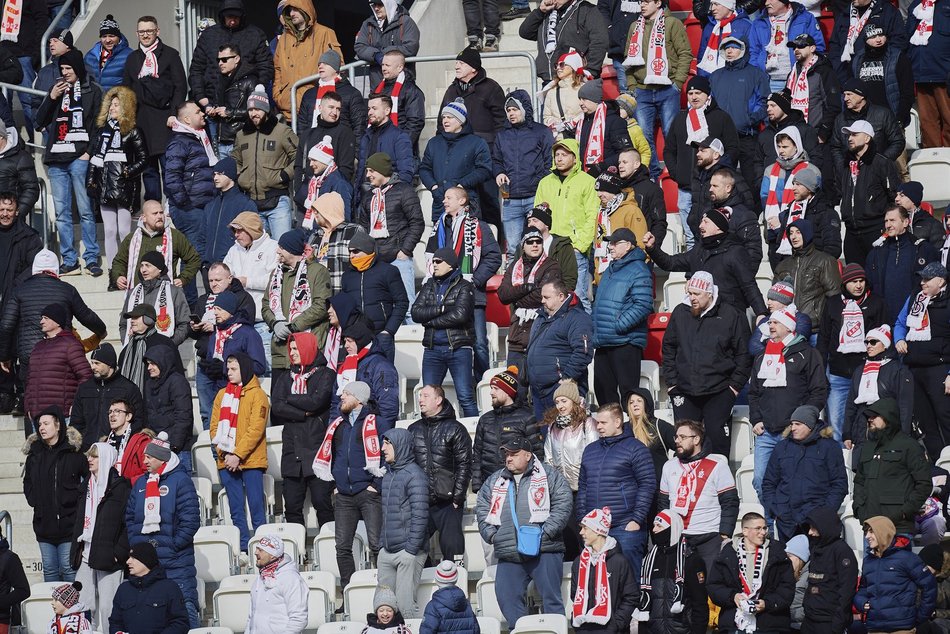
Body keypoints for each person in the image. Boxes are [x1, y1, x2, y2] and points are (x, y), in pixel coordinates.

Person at [475, 434, 573, 625]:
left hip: (545, 549)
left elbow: (563, 502)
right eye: (506, 454)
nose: (508, 458)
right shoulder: (495, 480)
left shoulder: (549, 475)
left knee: (551, 600)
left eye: (514, 453)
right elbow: (482, 509)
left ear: (528, 455)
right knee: (507, 598)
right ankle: (522, 630)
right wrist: (493, 536)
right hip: (509, 552)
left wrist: (546, 533)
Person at [0, 250, 106, 410]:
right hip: (62, 354)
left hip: (30, 355)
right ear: (56, 269)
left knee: (31, 400)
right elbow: (86, 315)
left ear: (34, 269)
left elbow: (6, 325)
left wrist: (4, 356)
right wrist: (101, 330)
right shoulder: (67, 290)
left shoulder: (19, 290)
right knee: (61, 395)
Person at [661, 271, 751, 455]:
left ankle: (719, 481)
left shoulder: (731, 314)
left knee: (716, 439)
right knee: (684, 442)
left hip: (719, 390)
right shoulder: (680, 312)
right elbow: (668, 347)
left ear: (709, 293)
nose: (692, 298)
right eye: (690, 293)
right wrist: (672, 384)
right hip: (684, 389)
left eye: (697, 294)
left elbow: (744, 354)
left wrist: (733, 388)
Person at [314, 381, 389, 589]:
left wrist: (376, 485)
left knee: (376, 544)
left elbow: (387, 457)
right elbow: (334, 457)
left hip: (368, 492)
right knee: (342, 547)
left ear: (359, 399)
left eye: (346, 394)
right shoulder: (337, 424)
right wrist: (336, 486)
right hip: (344, 495)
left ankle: (383, 590)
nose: (341, 397)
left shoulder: (379, 423)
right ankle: (349, 591)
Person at [35, 48, 102, 277]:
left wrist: (89, 153)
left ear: (78, 69)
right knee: (63, 213)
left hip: (79, 156)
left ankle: (91, 257)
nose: (64, 73)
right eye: (62, 69)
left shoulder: (92, 90)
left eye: (68, 69)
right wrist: (52, 97)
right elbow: (38, 122)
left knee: (84, 210)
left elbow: (98, 124)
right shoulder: (56, 90)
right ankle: (69, 259)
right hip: (56, 159)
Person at [423, 186, 502, 382]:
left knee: (480, 344)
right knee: (449, 343)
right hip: (445, 296)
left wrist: (474, 280)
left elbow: (493, 257)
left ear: (462, 201)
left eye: (449, 197)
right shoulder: (438, 227)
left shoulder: (479, 227)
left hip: (472, 295)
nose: (444, 201)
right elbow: (430, 258)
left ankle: (483, 386)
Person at [749, 306, 828, 495]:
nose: (771, 326)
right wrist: (756, 419)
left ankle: (787, 524)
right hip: (766, 432)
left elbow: (819, 391)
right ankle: (768, 522)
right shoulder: (762, 356)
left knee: (793, 482)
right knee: (760, 480)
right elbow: (753, 392)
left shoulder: (808, 354)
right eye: (769, 323)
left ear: (789, 326)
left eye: (775, 322)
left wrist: (805, 421)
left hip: (794, 432)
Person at [126, 432, 201, 627]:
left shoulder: (181, 480)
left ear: (161, 458)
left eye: (148, 457)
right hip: (148, 563)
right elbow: (130, 518)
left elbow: (191, 520)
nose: (144, 461)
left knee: (185, 610)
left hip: (176, 562)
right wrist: (138, 547)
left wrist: (175, 545)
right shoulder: (141, 483)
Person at [578, 402, 656, 580]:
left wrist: (636, 520)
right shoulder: (590, 450)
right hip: (594, 528)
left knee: (629, 581)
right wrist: (582, 519)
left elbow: (648, 484)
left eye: (603, 423)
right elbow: (583, 487)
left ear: (618, 422)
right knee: (597, 581)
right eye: (597, 423)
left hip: (624, 526)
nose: (599, 427)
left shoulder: (636, 448)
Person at [645, 209, 768, 319]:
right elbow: (670, 263)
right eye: (701, 221)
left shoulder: (735, 251)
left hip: (730, 317)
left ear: (718, 227)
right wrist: (652, 249)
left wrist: (761, 313)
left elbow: (749, 286)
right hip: (702, 316)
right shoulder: (699, 250)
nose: (700, 225)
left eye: (706, 222)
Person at [663, 76, 740, 248]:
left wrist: (719, 172)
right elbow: (669, 150)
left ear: (707, 94)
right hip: (686, 187)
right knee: (690, 238)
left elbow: (733, 148)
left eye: (698, 92)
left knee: (711, 232)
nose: (694, 97)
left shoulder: (721, 117)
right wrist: (677, 173)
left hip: (710, 186)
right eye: (690, 93)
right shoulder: (681, 118)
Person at [817, 262, 889, 442]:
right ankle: (843, 463)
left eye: (861, 281)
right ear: (844, 284)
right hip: (837, 373)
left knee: (868, 419)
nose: (858, 285)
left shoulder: (876, 303)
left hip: (867, 372)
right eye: (853, 281)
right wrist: (821, 368)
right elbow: (824, 338)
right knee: (836, 420)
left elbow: (885, 337)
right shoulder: (833, 303)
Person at [622, 0, 692, 179]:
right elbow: (628, 58)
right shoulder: (633, 27)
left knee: (671, 132)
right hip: (642, 90)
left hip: (668, 89)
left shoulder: (672, 24)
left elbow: (684, 53)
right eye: (640, 2)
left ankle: (675, 171)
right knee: (644, 135)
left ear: (658, 3)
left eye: (646, 1)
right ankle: (652, 172)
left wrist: (678, 83)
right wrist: (632, 86)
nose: (642, 5)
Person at [270, 332, 335, 527]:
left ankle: (329, 548)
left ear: (307, 348)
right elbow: (277, 405)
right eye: (290, 349)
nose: (292, 352)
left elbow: (316, 401)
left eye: (296, 348)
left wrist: (289, 398)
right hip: (292, 452)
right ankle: (296, 552)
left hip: (315, 449)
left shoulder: (326, 374)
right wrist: (303, 413)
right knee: (291, 506)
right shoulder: (285, 376)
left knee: (322, 503)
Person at [658, 419, 739, 573]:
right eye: (676, 437)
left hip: (709, 536)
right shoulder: (669, 466)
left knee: (711, 587)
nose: (677, 441)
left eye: (682, 437)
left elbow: (730, 502)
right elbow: (663, 504)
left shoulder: (717, 464)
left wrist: (724, 534)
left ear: (696, 439)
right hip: (679, 537)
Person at [121, 16, 188, 202]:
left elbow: (180, 86)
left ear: (157, 31)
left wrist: (174, 114)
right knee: (148, 169)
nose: (145, 35)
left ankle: (172, 210)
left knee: (169, 168)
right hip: (142, 122)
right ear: (136, 34)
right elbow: (126, 88)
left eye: (149, 31)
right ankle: (153, 210)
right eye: (142, 32)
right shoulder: (132, 58)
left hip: (165, 119)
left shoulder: (170, 55)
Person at [760, 405, 848, 541]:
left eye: (798, 424)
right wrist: (776, 510)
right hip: (786, 521)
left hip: (816, 523)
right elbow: (769, 483)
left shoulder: (830, 447)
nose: (793, 427)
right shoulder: (781, 447)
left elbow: (839, 484)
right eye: (792, 424)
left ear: (810, 425)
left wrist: (824, 514)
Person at [209, 353, 268, 550]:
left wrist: (238, 455)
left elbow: (256, 429)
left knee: (256, 508)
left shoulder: (257, 394)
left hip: (250, 461)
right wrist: (226, 455)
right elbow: (214, 429)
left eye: (234, 369)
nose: (229, 373)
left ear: (244, 368)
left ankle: (262, 548)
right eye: (228, 369)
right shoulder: (221, 395)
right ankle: (243, 548)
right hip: (226, 461)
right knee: (236, 509)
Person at [86, 86, 148, 272]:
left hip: (124, 187)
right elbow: (94, 160)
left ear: (126, 108)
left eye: (117, 105)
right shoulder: (101, 132)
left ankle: (130, 267)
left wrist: (127, 172)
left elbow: (144, 159)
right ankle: (115, 270)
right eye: (111, 105)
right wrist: (90, 181)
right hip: (104, 186)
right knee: (109, 231)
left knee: (124, 231)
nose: (112, 108)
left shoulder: (133, 131)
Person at [534, 139, 600, 311]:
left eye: (564, 154)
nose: (560, 158)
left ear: (574, 157)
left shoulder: (587, 181)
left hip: (573, 248)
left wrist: (580, 245)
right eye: (557, 155)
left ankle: (584, 336)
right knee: (548, 298)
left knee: (578, 296)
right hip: (549, 248)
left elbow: (593, 216)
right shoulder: (545, 182)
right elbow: (538, 216)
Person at [23, 406, 87, 582]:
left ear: (58, 425)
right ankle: (53, 610)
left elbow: (88, 479)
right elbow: (28, 481)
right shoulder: (35, 454)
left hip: (68, 524)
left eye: (46, 423)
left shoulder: (73, 452)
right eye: (39, 424)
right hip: (44, 524)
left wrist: (76, 501)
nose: (41, 428)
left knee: (68, 569)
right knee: (50, 571)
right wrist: (34, 500)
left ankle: (73, 610)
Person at [411, 250, 478, 417]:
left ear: (450, 264)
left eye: (439, 261)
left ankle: (476, 435)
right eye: (433, 261)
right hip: (433, 350)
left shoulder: (465, 286)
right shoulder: (429, 285)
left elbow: (460, 315)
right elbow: (416, 313)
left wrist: (431, 322)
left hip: (458, 349)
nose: (434, 264)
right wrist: (441, 309)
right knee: (428, 398)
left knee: (465, 397)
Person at [409, 386, 472, 562]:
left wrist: (457, 498)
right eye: (420, 396)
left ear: (438, 400)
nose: (420, 399)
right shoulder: (413, 430)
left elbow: (464, 464)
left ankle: (456, 584)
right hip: (421, 501)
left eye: (426, 396)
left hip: (448, 501)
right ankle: (428, 578)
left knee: (453, 547)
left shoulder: (455, 428)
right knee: (413, 545)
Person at [71, 442, 129, 632]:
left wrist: (118, 554)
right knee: (84, 606)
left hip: (108, 557)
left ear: (105, 459)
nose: (89, 459)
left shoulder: (120, 487)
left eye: (94, 456)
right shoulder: (85, 487)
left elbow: (128, 524)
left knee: (108, 608)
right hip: (86, 553)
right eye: (89, 455)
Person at [894, 262, 950, 459]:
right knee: (926, 422)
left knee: (945, 418)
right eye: (922, 278)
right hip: (914, 368)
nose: (923, 282)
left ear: (941, 281)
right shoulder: (915, 298)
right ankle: (938, 467)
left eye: (927, 279)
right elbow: (900, 322)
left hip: (939, 368)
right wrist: (899, 338)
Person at [591, 228, 652, 406]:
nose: (610, 247)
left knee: (628, 397)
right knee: (604, 395)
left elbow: (643, 305)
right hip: (604, 342)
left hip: (625, 342)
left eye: (615, 243)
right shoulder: (611, 269)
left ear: (628, 246)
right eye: (610, 243)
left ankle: (632, 433)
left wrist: (619, 326)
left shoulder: (639, 269)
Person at [707, 512, 797, 634]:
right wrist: (733, 597)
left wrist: (767, 603)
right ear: (745, 531)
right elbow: (714, 586)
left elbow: (787, 588)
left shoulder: (778, 553)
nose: (763, 532)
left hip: (770, 624)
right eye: (758, 528)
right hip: (735, 623)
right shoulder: (727, 554)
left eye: (765, 528)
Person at [852, 398, 932, 536]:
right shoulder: (867, 447)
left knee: (898, 558)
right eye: (868, 416)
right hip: (870, 528)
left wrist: (903, 513)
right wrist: (859, 509)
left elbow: (924, 484)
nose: (870, 419)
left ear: (888, 417)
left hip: (898, 528)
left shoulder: (909, 446)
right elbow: (859, 482)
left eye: (874, 416)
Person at [262, 228, 331, 386]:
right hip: (280, 351)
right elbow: (266, 304)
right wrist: (275, 324)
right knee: (279, 405)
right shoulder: (276, 274)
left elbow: (321, 305)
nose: (277, 251)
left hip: (307, 351)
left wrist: (293, 327)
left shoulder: (317, 272)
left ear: (292, 250)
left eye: (282, 247)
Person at [164, 101, 216, 304]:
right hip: (189, 209)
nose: (202, 114)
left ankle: (198, 303)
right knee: (195, 257)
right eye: (197, 112)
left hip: (199, 206)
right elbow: (172, 177)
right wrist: (185, 204)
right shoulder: (180, 142)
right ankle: (193, 306)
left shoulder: (198, 139)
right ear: (186, 119)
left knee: (195, 255)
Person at [357, 152, 424, 310]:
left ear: (381, 170)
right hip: (376, 262)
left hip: (398, 259)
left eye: (371, 171)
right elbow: (363, 230)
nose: (367, 175)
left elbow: (417, 222)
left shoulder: (404, 191)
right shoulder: (368, 197)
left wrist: (405, 251)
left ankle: (413, 335)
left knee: (407, 308)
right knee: (382, 308)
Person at [187, 0, 273, 121]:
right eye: (229, 17)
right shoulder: (208, 36)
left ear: (242, 17)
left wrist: (258, 90)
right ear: (222, 16)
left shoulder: (255, 35)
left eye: (236, 17)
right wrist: (202, 98)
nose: (232, 21)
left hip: (243, 105)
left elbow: (266, 66)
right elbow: (196, 69)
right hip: (211, 104)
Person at [232, 85, 297, 240]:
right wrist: (241, 177)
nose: (254, 113)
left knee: (283, 248)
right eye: (250, 110)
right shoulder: (241, 135)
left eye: (258, 109)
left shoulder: (282, 131)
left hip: (278, 202)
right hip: (251, 204)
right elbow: (235, 159)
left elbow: (298, 156)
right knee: (256, 254)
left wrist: (284, 175)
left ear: (266, 110)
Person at [493, 89, 553, 258]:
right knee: (513, 248)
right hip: (509, 199)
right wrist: (499, 172)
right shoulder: (502, 136)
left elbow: (549, 161)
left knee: (537, 244)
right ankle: (514, 284)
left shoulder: (541, 132)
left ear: (525, 109)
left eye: (515, 109)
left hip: (535, 197)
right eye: (508, 110)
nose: (511, 114)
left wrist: (540, 183)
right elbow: (496, 161)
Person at [542, 382, 598, 560]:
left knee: (586, 533)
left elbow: (593, 455)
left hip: (584, 488)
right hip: (563, 490)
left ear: (574, 401)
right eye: (557, 402)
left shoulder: (587, 424)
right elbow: (548, 458)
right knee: (568, 535)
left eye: (564, 401)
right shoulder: (553, 427)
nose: (560, 406)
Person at [377, 428, 428, 618]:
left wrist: (411, 551)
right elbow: (386, 514)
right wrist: (382, 545)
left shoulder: (415, 475)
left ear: (401, 446)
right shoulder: (389, 475)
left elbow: (420, 516)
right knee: (383, 607)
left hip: (408, 552)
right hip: (387, 552)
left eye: (387, 444)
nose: (382, 448)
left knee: (406, 608)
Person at [709, 38, 771, 195]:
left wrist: (749, 120)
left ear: (743, 50)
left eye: (734, 47)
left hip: (747, 136)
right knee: (721, 179)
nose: (730, 50)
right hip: (722, 140)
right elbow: (711, 104)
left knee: (750, 180)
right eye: (726, 47)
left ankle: (753, 215)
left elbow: (763, 102)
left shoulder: (756, 74)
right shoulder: (715, 76)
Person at [497, 227, 564, 371]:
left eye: (538, 241)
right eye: (530, 241)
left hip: (540, 332)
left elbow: (541, 296)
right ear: (523, 245)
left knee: (537, 387)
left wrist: (516, 297)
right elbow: (502, 295)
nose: (535, 245)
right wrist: (527, 288)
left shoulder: (551, 266)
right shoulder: (514, 266)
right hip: (517, 336)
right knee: (514, 386)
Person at [525, 279, 594, 418]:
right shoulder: (541, 318)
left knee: (567, 436)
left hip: (562, 392)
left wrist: (566, 378)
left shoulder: (577, 318)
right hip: (539, 392)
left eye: (547, 297)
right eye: (542, 297)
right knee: (547, 438)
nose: (542, 301)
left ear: (561, 296)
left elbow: (583, 352)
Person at [631, 510, 709, 633]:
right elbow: (645, 604)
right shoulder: (649, 560)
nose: (654, 530)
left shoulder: (690, 559)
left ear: (672, 529)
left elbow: (700, 604)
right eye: (654, 526)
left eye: (659, 526)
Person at [855, 516, 937, 631]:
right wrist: (862, 603)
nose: (867, 536)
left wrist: (921, 616)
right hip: (875, 627)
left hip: (902, 628)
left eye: (872, 532)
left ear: (883, 532)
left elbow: (929, 585)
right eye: (866, 532)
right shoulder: (868, 561)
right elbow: (863, 589)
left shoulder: (907, 558)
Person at [472, 367, 543, 495]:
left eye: (496, 389)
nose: (491, 393)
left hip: (519, 486)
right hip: (489, 485)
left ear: (508, 391)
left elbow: (537, 453)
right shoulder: (485, 419)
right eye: (491, 388)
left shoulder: (527, 417)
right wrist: (477, 485)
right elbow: (477, 454)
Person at [837, 119, 900, 265]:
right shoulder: (845, 165)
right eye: (849, 135)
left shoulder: (882, 163)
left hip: (875, 229)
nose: (850, 138)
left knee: (877, 276)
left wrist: (888, 227)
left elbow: (894, 196)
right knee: (855, 278)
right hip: (851, 232)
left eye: (854, 134)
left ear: (867, 138)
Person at [420, 99, 493, 223]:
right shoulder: (434, 143)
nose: (445, 121)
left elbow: (484, 170)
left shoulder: (476, 142)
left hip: (465, 202)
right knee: (441, 241)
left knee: (463, 241)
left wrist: (461, 185)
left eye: (450, 117)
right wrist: (434, 187)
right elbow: (424, 168)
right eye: (444, 117)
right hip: (441, 202)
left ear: (461, 120)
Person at [110, 200, 201, 297]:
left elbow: (194, 259)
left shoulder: (175, 236)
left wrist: (183, 279)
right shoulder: (132, 238)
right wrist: (118, 276)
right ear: (144, 218)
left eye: (161, 213)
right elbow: (119, 261)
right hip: (137, 296)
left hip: (165, 297)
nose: (159, 216)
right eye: (155, 213)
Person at [569, 506, 638, 633]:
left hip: (610, 629)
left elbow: (631, 597)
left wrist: (616, 624)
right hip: (584, 628)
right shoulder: (579, 562)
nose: (581, 532)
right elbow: (575, 594)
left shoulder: (619, 561)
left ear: (597, 530)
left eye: (585, 528)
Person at [23, 305, 93, 430]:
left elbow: (86, 375)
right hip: (38, 417)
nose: (41, 321)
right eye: (41, 318)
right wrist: (28, 405)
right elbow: (30, 379)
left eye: (45, 318)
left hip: (61, 416)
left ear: (57, 321)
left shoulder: (70, 345)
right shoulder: (38, 347)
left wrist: (77, 403)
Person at [341, 232, 408, 362]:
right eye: (350, 252)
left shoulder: (388, 271)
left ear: (367, 250)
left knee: (382, 378)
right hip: (356, 339)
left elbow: (402, 302)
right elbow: (346, 307)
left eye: (355, 251)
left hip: (381, 336)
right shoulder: (347, 275)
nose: (351, 256)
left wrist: (388, 331)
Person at [867, 205, 941, 322]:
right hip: (884, 319)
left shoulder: (923, 249)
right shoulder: (876, 252)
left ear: (906, 222)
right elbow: (869, 285)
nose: (888, 225)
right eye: (886, 221)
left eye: (892, 220)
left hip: (915, 318)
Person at [272, 0, 342, 121]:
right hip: (287, 109)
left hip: (314, 109)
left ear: (305, 8)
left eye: (295, 9)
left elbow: (337, 67)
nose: (292, 13)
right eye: (289, 10)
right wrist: (278, 96)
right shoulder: (283, 39)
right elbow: (277, 70)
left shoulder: (325, 33)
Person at [223, 211, 280, 359]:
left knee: (266, 366)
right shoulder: (233, 250)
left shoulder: (272, 248)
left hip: (263, 323)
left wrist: (247, 281)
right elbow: (224, 276)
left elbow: (276, 280)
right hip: (238, 323)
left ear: (251, 229)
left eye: (240, 230)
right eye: (234, 231)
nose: (236, 235)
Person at [71, 343, 145, 451]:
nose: (92, 367)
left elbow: (137, 421)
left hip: (116, 449)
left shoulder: (128, 388)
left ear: (109, 364)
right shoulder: (84, 388)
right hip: (87, 450)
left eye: (97, 363)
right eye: (91, 363)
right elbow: (76, 422)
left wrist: (121, 442)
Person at [766, 162, 841, 266]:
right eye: (793, 184)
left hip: (814, 272)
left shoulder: (826, 212)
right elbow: (778, 244)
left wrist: (814, 268)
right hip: (790, 269)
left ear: (809, 188)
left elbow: (833, 248)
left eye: (798, 184)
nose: (793, 188)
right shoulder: (789, 212)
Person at [689, 159, 761, 266]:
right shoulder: (707, 212)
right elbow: (699, 248)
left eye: (715, 186)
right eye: (710, 185)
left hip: (733, 278)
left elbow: (753, 253)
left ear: (728, 188)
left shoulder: (744, 215)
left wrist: (740, 276)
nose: (710, 189)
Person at [329, 322, 400, 429]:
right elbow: (335, 403)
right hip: (345, 430)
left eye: (350, 341)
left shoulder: (381, 366)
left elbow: (388, 406)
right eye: (345, 341)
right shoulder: (345, 366)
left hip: (370, 430)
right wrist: (334, 430)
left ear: (361, 341)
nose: (346, 345)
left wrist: (382, 436)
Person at [519, 0, 609, 84]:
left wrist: (589, 72)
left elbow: (599, 43)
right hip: (550, 80)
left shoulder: (588, 10)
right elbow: (525, 32)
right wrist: (540, 11)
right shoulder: (547, 12)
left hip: (577, 80)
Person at [798, 507, 859, 632]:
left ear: (824, 526)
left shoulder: (842, 551)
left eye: (814, 528)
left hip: (829, 622)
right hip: (810, 619)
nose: (810, 532)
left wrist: (838, 624)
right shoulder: (816, 548)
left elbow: (846, 591)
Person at [108, 542, 190, 634]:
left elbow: (181, 623)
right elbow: (115, 622)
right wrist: (118, 632)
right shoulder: (123, 589)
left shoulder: (169, 588)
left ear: (146, 560)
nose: (128, 561)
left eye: (133, 558)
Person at [773, 219, 841, 327]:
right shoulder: (782, 265)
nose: (794, 237)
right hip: (787, 328)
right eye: (791, 233)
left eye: (798, 232)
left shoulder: (825, 261)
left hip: (815, 328)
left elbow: (834, 297)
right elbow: (775, 298)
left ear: (807, 233)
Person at [749, 0, 825, 91]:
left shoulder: (805, 18)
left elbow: (818, 47)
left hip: (799, 80)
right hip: (769, 83)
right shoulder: (758, 22)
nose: (766, 3)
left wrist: (807, 73)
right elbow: (753, 52)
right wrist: (758, 76)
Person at [119, 251, 191, 346]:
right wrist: (128, 343)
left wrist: (170, 344)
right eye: (142, 266)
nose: (143, 270)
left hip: (163, 352)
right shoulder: (132, 293)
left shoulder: (174, 292)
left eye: (148, 266)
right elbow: (124, 324)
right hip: (135, 350)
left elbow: (185, 323)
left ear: (159, 269)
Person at [852, 22, 914, 132]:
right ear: (865, 39)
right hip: (865, 121)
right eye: (873, 36)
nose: (878, 39)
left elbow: (907, 92)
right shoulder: (857, 60)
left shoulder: (898, 57)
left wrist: (899, 120)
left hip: (893, 120)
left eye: (881, 35)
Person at [785, 33, 842, 151]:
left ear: (812, 48)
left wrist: (823, 134)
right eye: (794, 47)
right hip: (794, 135)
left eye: (801, 46)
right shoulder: (793, 73)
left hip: (816, 136)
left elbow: (833, 105)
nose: (796, 50)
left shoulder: (824, 71)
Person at [142, 345, 194, 473]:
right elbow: (148, 414)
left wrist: (174, 445)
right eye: (148, 364)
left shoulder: (178, 382)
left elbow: (183, 416)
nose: (149, 368)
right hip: (157, 448)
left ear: (163, 362)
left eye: (153, 364)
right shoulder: (149, 383)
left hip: (177, 449)